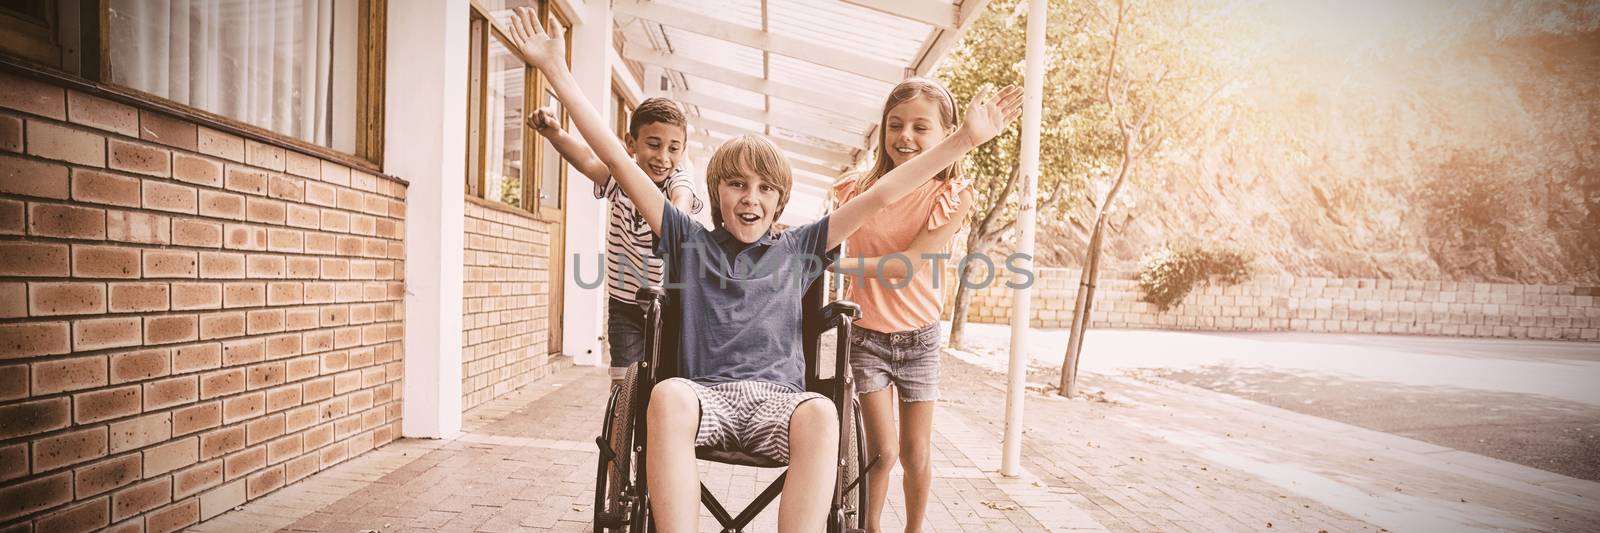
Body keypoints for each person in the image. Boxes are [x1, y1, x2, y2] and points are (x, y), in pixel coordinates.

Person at [505, 8, 1022, 531]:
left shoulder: (802, 247)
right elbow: (617, 160)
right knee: (665, 394)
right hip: (703, 396)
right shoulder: (686, 238)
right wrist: (555, 70)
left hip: (781, 405)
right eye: (736, 185)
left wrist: (962, 142)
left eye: (765, 189)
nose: (750, 199)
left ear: (780, 202)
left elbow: (884, 192)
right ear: (716, 193)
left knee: (823, 412)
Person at [831, 78, 975, 533]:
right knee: (883, 452)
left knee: (916, 453)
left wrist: (842, 266)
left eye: (920, 127)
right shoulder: (856, 191)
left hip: (920, 338)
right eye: (895, 125)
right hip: (867, 336)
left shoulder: (951, 197)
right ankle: (870, 528)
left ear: (947, 134)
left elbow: (908, 266)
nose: (905, 137)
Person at [527, 97, 703, 383]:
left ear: (683, 151)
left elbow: (681, 198)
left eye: (673, 149)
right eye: (654, 144)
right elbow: (586, 160)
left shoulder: (678, 179)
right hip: (625, 302)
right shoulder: (621, 176)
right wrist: (554, 134)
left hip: (670, 303)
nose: (663, 157)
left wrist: (673, 222)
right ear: (631, 144)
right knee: (623, 382)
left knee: (666, 381)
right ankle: (621, 423)